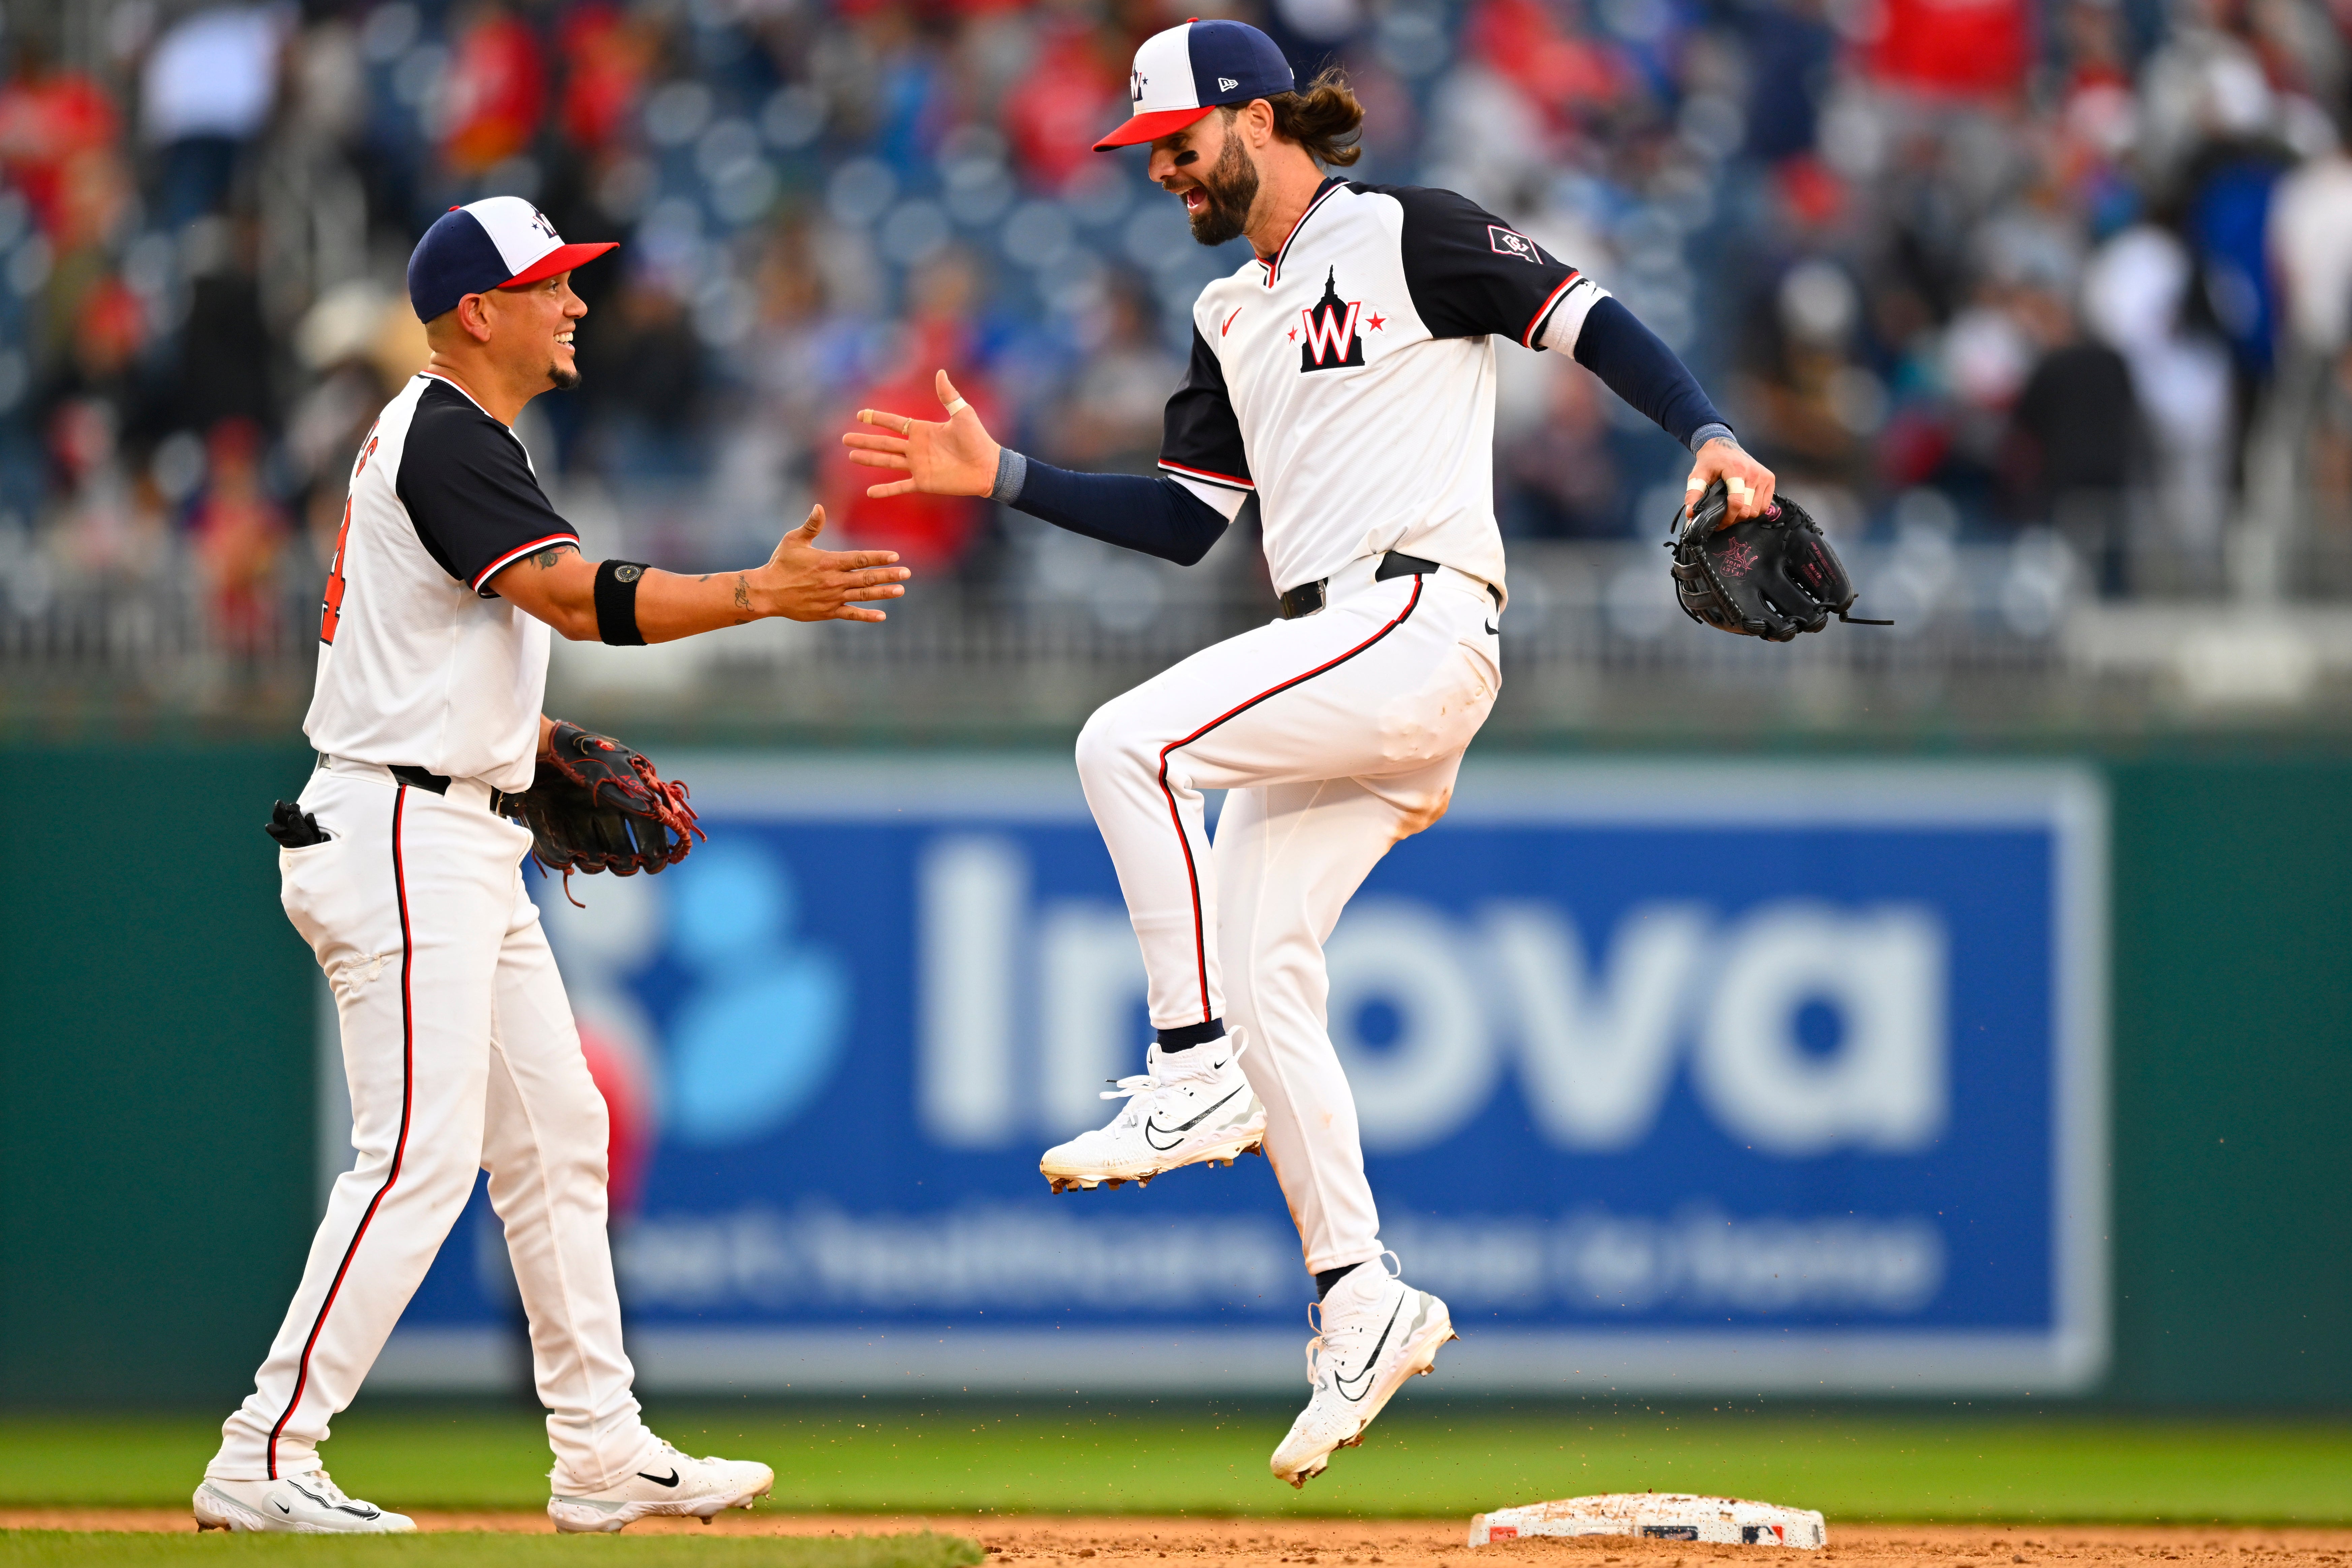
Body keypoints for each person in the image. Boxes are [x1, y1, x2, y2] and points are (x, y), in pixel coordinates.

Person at [842, 19, 1773, 1490]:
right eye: (1146, 154)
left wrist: (1706, 433)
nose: (1158, 171)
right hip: (1327, 654)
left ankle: (1185, 1062)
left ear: (1249, 118)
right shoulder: (1227, 312)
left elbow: (1586, 315)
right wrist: (1002, 476)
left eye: (1172, 144)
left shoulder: (1405, 230)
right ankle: (1360, 1295)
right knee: (1266, 966)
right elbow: (1182, 521)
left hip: (1409, 620)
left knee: (1123, 744)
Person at [195, 196, 909, 1535]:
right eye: (551, 284)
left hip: (458, 819)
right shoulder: (445, 434)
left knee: (560, 1136)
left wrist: (524, 744)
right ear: (481, 310)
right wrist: (754, 592)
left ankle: (599, 1451)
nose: (576, 303)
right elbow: (579, 599)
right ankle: (266, 1450)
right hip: (405, 833)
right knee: (416, 1154)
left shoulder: (460, 441)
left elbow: (427, 664)